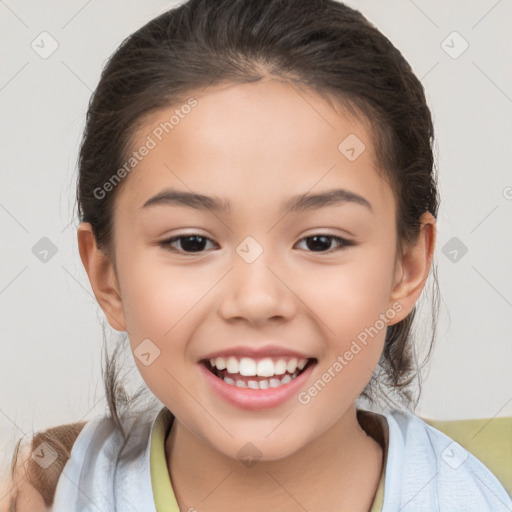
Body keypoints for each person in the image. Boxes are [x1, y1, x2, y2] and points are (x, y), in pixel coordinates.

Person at [3, 0, 511, 510]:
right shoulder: (42, 493)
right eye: (191, 242)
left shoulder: (491, 486)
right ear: (106, 275)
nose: (257, 299)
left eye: (320, 241)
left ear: (407, 269)